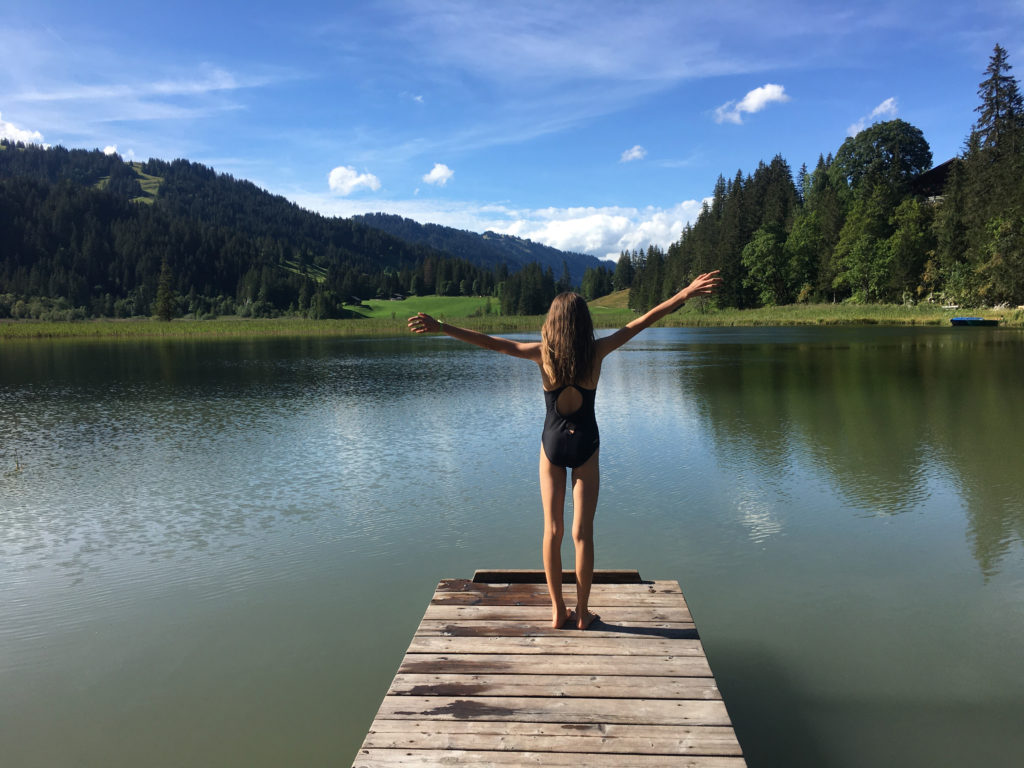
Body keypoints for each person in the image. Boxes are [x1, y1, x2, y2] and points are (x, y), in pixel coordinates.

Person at [408, 270, 722, 630]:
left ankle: (558, 610)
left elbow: (492, 342)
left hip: (553, 443)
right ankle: (583, 613)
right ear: (583, 322)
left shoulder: (542, 355)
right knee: (582, 532)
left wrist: (443, 326)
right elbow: (644, 320)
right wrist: (685, 292)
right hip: (587, 443)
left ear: (553, 323)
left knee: (552, 530)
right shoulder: (598, 352)